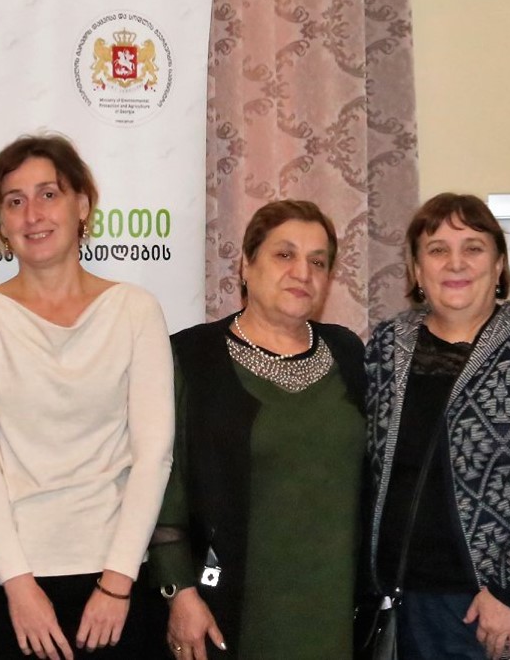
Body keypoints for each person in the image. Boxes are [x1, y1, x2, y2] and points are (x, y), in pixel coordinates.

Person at [0, 134, 174, 660]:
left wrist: (117, 583)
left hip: (112, 579)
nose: (33, 214)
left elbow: (154, 456)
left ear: (82, 205)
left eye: (48, 194)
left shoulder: (135, 310)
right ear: (1, 224)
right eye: (15, 201)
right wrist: (18, 586)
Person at [366, 192, 510, 660]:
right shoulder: (387, 345)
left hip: (503, 609)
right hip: (408, 601)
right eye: (437, 249)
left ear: (499, 264)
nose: (456, 263)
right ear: (416, 270)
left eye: (473, 247)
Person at [152, 200, 367, 660]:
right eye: (284, 255)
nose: (302, 272)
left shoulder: (349, 354)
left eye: (318, 262)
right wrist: (179, 592)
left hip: (336, 613)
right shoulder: (192, 358)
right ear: (246, 266)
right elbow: (164, 490)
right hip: (230, 611)